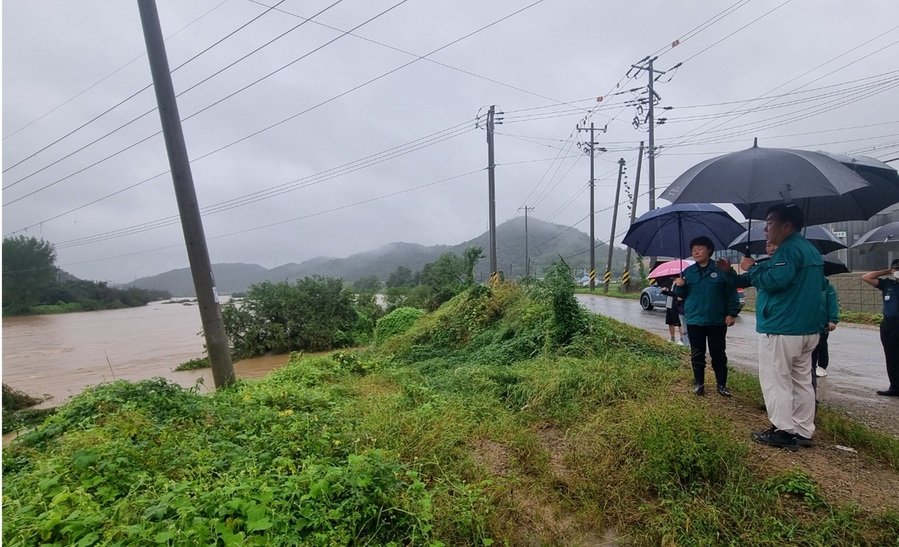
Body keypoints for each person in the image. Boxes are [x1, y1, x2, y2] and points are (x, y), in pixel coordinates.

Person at [739, 204, 825, 451]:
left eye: (770, 222)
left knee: (776, 380)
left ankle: (783, 431)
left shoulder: (788, 250)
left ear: (787, 225)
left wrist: (752, 268)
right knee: (801, 381)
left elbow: (775, 280)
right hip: (808, 328)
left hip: (783, 327)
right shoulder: (810, 250)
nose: (766, 228)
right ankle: (803, 430)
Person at [674, 236, 741, 397]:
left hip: (716, 319)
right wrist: (680, 286)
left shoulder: (720, 270)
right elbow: (681, 296)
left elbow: (731, 292)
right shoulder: (688, 272)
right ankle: (699, 384)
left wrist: (732, 313)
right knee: (697, 352)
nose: (696, 252)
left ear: (709, 250)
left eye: (700, 248)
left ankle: (721, 385)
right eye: (693, 249)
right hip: (695, 318)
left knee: (718, 352)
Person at [861, 258, 899, 397]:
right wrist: (888, 271)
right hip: (890, 324)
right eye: (896, 269)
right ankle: (895, 386)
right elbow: (866, 277)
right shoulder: (888, 284)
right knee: (892, 356)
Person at [812, 280, 839, 379]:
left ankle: (822, 366)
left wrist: (832, 319)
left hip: (822, 322)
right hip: (807, 321)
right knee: (809, 347)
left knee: (821, 344)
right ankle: (811, 367)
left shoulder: (828, 287)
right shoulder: (804, 284)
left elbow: (833, 303)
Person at [660, 280, 685, 345]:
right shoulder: (670, 282)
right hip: (669, 304)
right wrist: (664, 291)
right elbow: (668, 292)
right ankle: (672, 337)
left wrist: (668, 292)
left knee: (679, 323)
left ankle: (682, 339)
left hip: (677, 305)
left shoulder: (680, 282)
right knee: (670, 322)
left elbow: (676, 293)